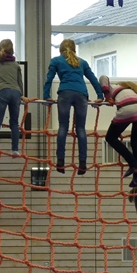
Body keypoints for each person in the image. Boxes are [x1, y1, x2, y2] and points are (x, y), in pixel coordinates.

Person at [43, 38, 104, 175]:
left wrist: (46, 95)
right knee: (80, 128)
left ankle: (60, 162)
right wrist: (100, 95)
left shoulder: (56, 61)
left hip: (65, 93)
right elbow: (93, 79)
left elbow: (49, 79)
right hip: (81, 94)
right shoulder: (82, 62)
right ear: (74, 50)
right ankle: (82, 163)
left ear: (60, 50)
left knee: (63, 127)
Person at [99, 76, 137, 187]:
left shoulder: (114, 86)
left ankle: (133, 163)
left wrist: (108, 97)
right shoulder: (134, 90)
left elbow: (103, 78)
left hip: (127, 109)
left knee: (110, 137)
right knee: (135, 141)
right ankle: (136, 178)